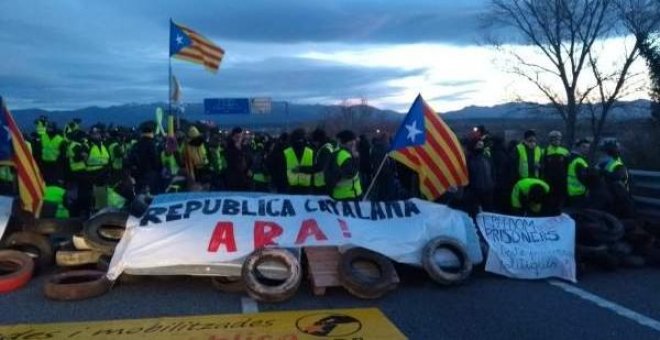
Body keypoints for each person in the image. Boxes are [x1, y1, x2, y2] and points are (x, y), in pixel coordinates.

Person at [464, 132, 495, 217]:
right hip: (474, 191)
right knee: (474, 214)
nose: (480, 147)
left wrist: (492, 184)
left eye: (482, 145)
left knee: (488, 214)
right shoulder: (468, 159)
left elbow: (492, 172)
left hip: (488, 191)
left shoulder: (486, 158)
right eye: (478, 145)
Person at [326, 130, 362, 200]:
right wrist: (356, 159)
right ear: (349, 142)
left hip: (341, 194)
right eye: (353, 141)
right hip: (348, 196)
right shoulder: (344, 155)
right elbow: (352, 173)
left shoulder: (339, 153)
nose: (355, 144)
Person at [129, 123, 161, 194]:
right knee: (150, 193)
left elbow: (130, 159)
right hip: (149, 173)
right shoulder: (152, 144)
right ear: (151, 133)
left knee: (139, 192)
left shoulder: (136, 145)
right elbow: (155, 159)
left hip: (137, 174)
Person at [542, 130, 570, 209]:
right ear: (551, 140)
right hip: (549, 179)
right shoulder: (544, 152)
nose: (557, 141)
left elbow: (568, 166)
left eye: (559, 139)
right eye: (555, 139)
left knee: (561, 199)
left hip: (562, 179)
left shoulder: (565, 152)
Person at [282, 128, 314, 194]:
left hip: (291, 186)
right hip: (306, 186)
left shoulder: (287, 152)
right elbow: (315, 168)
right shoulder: (311, 152)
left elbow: (282, 170)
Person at [566, 139, 591, 208]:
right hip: (579, 194)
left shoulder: (569, 157)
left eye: (588, 147)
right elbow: (585, 179)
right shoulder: (580, 161)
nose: (587, 149)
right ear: (578, 147)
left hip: (569, 192)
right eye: (584, 147)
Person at [309, 128, 335, 195]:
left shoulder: (325, 150)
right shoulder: (325, 147)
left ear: (318, 140)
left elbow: (320, 167)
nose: (314, 143)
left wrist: (303, 169)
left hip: (323, 185)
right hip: (322, 183)